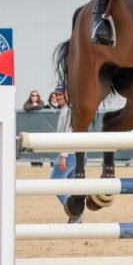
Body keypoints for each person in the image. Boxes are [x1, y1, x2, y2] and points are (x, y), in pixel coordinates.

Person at [47, 92, 83, 223]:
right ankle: (76, 214)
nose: (58, 97)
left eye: (61, 94)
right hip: (75, 154)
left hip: (69, 155)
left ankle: (75, 213)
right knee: (71, 189)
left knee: (55, 183)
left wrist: (63, 155)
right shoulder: (68, 110)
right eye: (57, 95)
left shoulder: (68, 111)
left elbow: (68, 133)